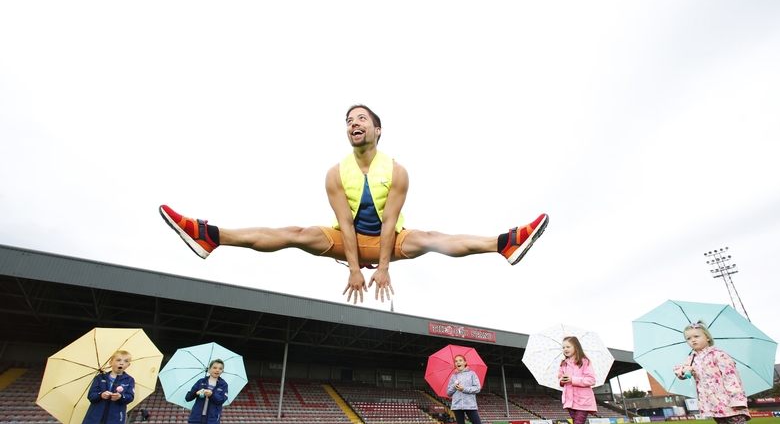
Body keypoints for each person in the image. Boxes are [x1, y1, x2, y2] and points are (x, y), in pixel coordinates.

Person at [160, 104, 549, 304]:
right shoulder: (334, 173)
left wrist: (380, 268)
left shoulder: (397, 171)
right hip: (345, 242)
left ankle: (506, 243)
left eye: (361, 119)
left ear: (377, 129)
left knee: (431, 237)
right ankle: (211, 236)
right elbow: (345, 225)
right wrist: (353, 269)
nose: (353, 124)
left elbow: (390, 221)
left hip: (389, 242)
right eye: (348, 120)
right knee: (294, 233)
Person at [674, 321, 750, 424]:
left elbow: (731, 377)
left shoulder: (718, 355)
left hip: (729, 404)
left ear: (707, 338)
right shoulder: (692, 359)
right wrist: (684, 369)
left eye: (696, 336)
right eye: (689, 338)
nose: (693, 340)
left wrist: (737, 400)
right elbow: (678, 369)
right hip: (713, 405)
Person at [81, 350, 136, 424]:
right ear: (111, 363)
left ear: (128, 365)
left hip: (115, 419)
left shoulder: (129, 380)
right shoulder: (100, 378)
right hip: (95, 418)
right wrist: (101, 395)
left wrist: (120, 397)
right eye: (118, 360)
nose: (121, 363)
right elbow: (91, 395)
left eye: (126, 361)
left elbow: (130, 397)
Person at [558, 336, 597, 424]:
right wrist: (562, 381)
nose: (565, 349)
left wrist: (573, 379)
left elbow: (591, 380)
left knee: (578, 423)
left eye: (568, 347)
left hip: (583, 400)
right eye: (563, 347)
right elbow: (559, 378)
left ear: (576, 347)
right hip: (569, 401)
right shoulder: (563, 364)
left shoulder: (585, 362)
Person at [185, 359, 229, 424]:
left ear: (222, 371)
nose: (217, 370)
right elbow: (187, 397)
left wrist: (212, 395)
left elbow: (222, 400)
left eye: (220, 368)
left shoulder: (223, 385)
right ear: (209, 369)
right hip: (196, 419)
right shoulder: (200, 382)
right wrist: (197, 393)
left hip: (212, 420)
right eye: (214, 368)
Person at [446, 354, 483, 424]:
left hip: (470, 405)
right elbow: (448, 393)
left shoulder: (472, 374)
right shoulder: (453, 377)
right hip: (457, 406)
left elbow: (477, 388)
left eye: (460, 360)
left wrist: (464, 389)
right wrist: (454, 385)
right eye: (456, 361)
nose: (458, 362)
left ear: (465, 362)